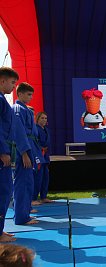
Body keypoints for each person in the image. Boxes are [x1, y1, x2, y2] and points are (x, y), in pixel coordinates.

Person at [0, 67, 30, 242]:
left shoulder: (3, 100)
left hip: (5, 149)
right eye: (12, 82)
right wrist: (3, 151)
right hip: (2, 152)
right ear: (2, 80)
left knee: (5, 192)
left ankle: (0, 230)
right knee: (3, 192)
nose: (13, 87)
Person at [12, 82, 44, 225]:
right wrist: (24, 153)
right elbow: (19, 133)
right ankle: (21, 217)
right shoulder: (18, 109)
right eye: (28, 94)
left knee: (28, 182)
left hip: (30, 146)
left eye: (31, 94)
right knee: (23, 183)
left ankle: (26, 210)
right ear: (19, 94)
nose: (30, 97)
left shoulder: (26, 109)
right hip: (23, 149)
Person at [34, 112, 54, 204]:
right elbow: (34, 142)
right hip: (38, 155)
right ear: (37, 119)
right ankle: (33, 198)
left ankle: (43, 197)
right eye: (42, 118)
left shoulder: (47, 130)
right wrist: (41, 148)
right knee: (38, 177)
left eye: (45, 118)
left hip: (45, 156)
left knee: (45, 177)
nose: (44, 120)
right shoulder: (35, 129)